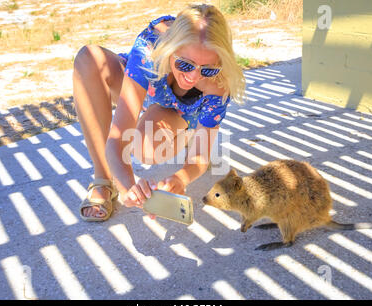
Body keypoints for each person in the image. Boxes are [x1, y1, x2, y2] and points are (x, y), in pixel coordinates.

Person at [73, 3, 245, 221]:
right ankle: (103, 180)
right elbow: (117, 138)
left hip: (179, 113)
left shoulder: (218, 84)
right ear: (170, 48)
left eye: (207, 69)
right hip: (149, 86)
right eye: (185, 64)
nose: (193, 77)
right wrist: (127, 188)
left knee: (145, 145)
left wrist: (181, 178)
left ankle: (183, 134)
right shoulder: (150, 48)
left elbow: (200, 157)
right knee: (88, 58)